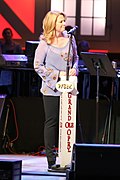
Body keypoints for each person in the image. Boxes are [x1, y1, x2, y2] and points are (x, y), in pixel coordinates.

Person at [34, 10, 79, 171]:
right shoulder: (45, 42)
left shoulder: (70, 39)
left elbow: (75, 58)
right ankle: (51, 162)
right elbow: (38, 66)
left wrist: (74, 69)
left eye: (64, 21)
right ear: (52, 23)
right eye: (60, 21)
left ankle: (68, 158)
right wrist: (57, 75)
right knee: (52, 121)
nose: (63, 24)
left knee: (69, 122)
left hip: (68, 87)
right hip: (51, 88)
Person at [0, 27, 23, 96]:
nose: (7, 35)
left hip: (15, 70)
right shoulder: (1, 46)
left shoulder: (17, 46)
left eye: (8, 33)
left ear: (11, 34)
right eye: (5, 33)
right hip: (5, 69)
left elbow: (22, 57)